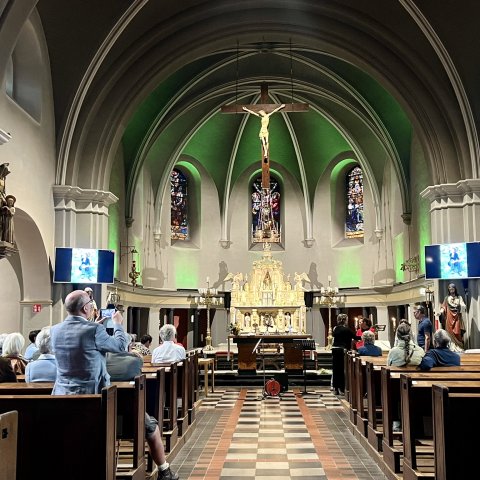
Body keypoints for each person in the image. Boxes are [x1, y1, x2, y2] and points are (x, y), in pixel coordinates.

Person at [106, 339, 179, 479]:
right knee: (152, 427)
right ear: (127, 346)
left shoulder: (101, 360)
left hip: (102, 411)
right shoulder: (133, 361)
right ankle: (164, 470)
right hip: (130, 415)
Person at [50, 289, 129, 394]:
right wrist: (117, 324)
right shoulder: (95, 329)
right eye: (90, 303)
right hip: (89, 392)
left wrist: (94, 325)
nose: (92, 306)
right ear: (85, 308)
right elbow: (120, 346)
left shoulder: (54, 329)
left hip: (62, 390)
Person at [331, 313, 359, 395]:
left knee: (335, 369)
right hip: (342, 350)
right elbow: (355, 337)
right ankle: (341, 388)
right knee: (342, 369)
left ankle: (335, 388)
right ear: (344, 320)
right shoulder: (346, 329)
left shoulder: (335, 328)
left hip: (335, 349)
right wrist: (364, 336)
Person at [439, 283, 466, 351]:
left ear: (455, 289)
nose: (451, 290)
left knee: (457, 332)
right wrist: (441, 311)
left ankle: (459, 347)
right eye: (450, 289)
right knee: (449, 333)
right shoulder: (447, 298)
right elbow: (443, 306)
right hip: (449, 318)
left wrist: (462, 306)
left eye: (452, 289)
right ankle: (451, 347)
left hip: (457, 317)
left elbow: (463, 305)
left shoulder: (459, 297)